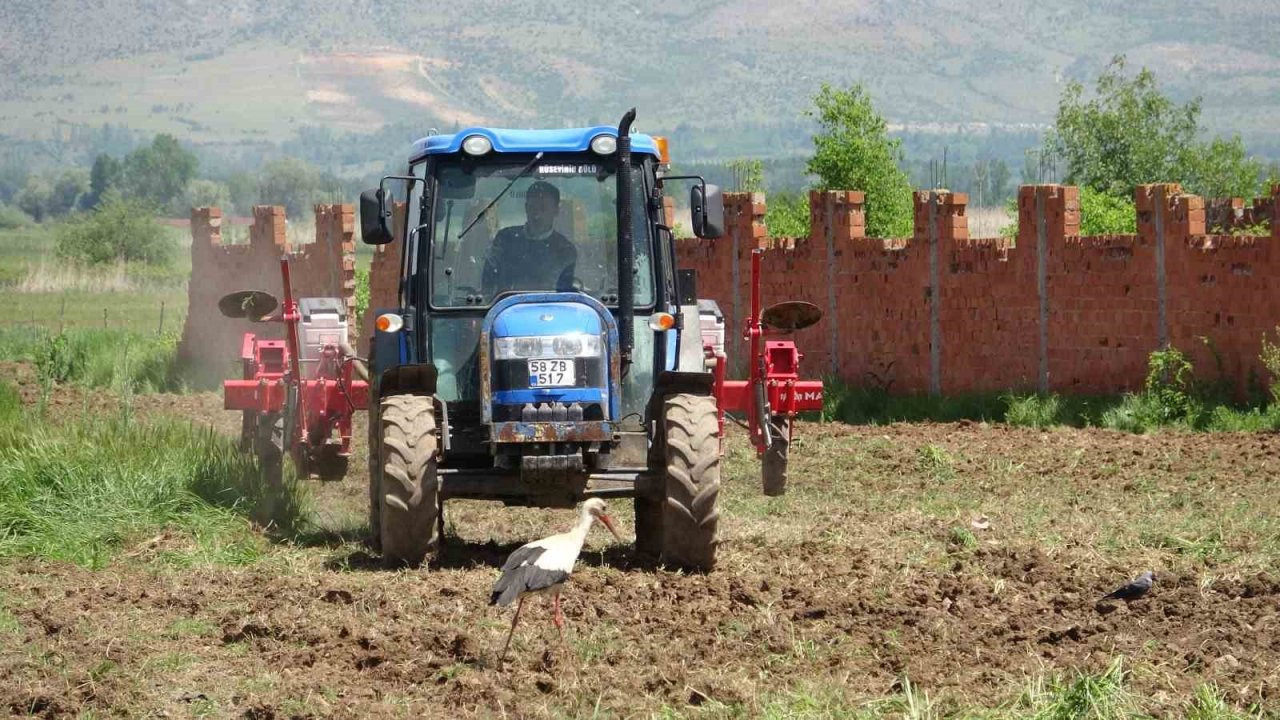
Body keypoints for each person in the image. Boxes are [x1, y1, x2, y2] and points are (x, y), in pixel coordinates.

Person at [481, 180, 577, 296]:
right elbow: (487, 283)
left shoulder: (565, 249)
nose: (537, 214)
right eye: (533, 207)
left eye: (543, 208)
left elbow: (565, 295)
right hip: (506, 307)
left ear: (556, 211)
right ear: (526, 208)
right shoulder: (505, 239)